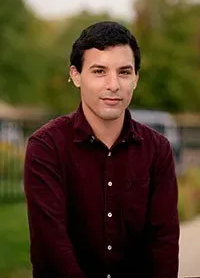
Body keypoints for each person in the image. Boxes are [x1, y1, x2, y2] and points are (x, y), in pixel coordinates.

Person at [24, 21, 180, 278]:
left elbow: (163, 244)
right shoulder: (46, 147)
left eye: (124, 72)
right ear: (76, 76)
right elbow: (51, 246)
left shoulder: (158, 149)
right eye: (99, 71)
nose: (113, 84)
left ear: (136, 78)